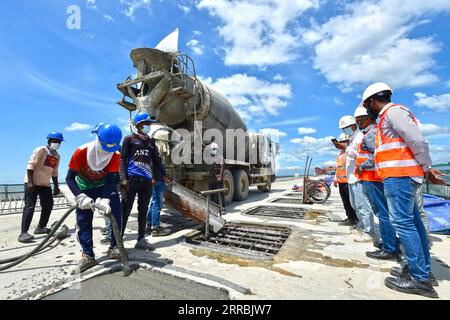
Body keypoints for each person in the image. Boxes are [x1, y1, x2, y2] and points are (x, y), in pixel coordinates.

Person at [362, 82, 446, 298]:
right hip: (400, 177)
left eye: (366, 104)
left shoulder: (393, 112)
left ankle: (419, 279)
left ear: (372, 100)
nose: (367, 109)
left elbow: (417, 140)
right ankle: (422, 271)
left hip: (400, 177)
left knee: (404, 224)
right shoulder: (389, 117)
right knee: (414, 223)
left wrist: (426, 168)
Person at [66, 123, 123, 272]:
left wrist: (105, 199)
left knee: (116, 214)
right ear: (98, 139)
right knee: (83, 221)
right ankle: (88, 255)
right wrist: (79, 196)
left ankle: (115, 248)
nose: (107, 152)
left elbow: (111, 179)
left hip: (105, 186)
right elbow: (69, 178)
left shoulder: (115, 154)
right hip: (84, 187)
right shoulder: (81, 152)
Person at [120, 112, 164, 250]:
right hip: (131, 180)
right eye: (146, 124)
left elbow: (156, 160)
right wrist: (123, 178)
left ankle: (141, 239)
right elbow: (122, 159)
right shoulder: (129, 139)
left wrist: (164, 174)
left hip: (146, 181)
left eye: (149, 124)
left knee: (143, 210)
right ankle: (118, 241)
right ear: (138, 125)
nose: (148, 126)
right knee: (125, 210)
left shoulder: (151, 142)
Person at [19, 132, 64, 243]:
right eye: (55, 141)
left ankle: (40, 227)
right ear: (49, 141)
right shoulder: (41, 150)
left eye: (59, 142)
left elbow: (54, 172)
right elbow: (31, 165)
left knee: (48, 204)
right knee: (30, 207)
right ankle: (23, 233)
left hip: (45, 184)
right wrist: (30, 182)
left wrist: (56, 187)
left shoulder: (57, 156)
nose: (57, 143)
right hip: (33, 183)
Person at [337, 115, 375, 241]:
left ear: (353, 125)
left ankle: (368, 232)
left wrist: (345, 149)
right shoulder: (352, 138)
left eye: (346, 127)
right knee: (355, 204)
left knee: (362, 206)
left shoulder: (359, 137)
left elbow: (358, 155)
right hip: (351, 177)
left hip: (358, 176)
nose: (345, 130)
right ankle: (361, 225)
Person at [146, 125, 171, 237]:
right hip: (156, 181)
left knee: (153, 202)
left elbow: (159, 166)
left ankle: (149, 225)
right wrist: (153, 178)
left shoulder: (154, 151)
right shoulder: (154, 151)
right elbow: (152, 165)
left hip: (157, 179)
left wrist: (165, 175)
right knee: (157, 203)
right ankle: (156, 229)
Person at [333, 134, 358, 226]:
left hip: (348, 181)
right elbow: (339, 167)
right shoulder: (340, 155)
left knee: (352, 202)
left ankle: (355, 219)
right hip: (341, 182)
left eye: (342, 142)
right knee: (346, 202)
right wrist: (335, 179)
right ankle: (350, 218)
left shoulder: (349, 153)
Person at [207, 142, 225, 206]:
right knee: (210, 193)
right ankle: (212, 207)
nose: (213, 150)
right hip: (211, 178)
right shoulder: (210, 157)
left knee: (220, 193)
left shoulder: (220, 157)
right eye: (212, 149)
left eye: (214, 149)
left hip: (218, 178)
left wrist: (220, 176)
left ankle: (222, 208)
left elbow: (222, 167)